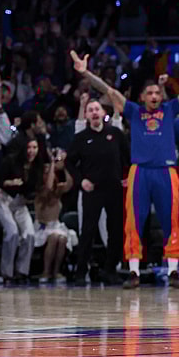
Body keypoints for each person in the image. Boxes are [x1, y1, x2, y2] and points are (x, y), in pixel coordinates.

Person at [70, 54, 179, 288]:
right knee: (134, 221)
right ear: (142, 97)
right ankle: (133, 272)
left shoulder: (170, 109)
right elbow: (109, 90)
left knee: (171, 220)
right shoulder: (133, 112)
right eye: (149, 93)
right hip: (140, 172)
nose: (154, 96)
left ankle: (173, 271)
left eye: (157, 93)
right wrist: (85, 73)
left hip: (166, 171)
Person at [65, 99, 130, 286]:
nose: (94, 112)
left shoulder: (115, 134)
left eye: (97, 109)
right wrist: (81, 181)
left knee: (115, 230)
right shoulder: (81, 138)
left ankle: (110, 270)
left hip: (114, 189)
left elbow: (127, 157)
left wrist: (128, 177)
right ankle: (81, 272)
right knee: (88, 231)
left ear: (103, 113)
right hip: (92, 190)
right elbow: (69, 162)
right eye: (90, 110)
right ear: (86, 115)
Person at [0, 136, 41, 285]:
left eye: (34, 148)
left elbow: (33, 189)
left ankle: (22, 271)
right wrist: (10, 182)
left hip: (20, 202)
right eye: (29, 147)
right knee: (12, 232)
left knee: (29, 234)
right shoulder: (11, 160)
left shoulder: (36, 167)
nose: (31, 151)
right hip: (4, 198)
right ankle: (6, 273)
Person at [34, 149, 77, 284]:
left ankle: (56, 271)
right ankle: (46, 271)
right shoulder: (40, 191)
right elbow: (47, 187)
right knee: (53, 237)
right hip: (42, 227)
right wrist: (52, 164)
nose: (49, 175)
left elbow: (70, 183)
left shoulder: (58, 190)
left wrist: (65, 166)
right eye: (46, 173)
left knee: (62, 238)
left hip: (56, 226)